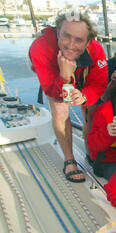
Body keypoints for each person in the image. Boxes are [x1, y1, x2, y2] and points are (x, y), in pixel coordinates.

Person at [29, 11, 108, 183]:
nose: (71, 45)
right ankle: (69, 159)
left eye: (79, 40)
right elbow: (51, 90)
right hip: (56, 77)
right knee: (59, 108)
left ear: (88, 41)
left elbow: (99, 84)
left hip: (83, 77)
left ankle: (90, 152)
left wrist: (85, 96)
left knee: (91, 111)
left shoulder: (96, 50)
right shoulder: (40, 48)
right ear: (58, 32)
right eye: (66, 36)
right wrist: (64, 77)